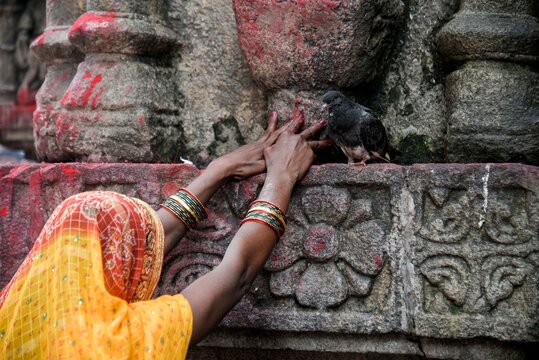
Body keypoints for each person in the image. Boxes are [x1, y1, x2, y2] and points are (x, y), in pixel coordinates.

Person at [0, 111, 330, 359]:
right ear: (115, 264)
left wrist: (218, 170)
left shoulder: (15, 316)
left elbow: (149, 240)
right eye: (127, 253)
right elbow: (236, 275)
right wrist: (281, 178)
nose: (141, 255)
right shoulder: (116, 343)